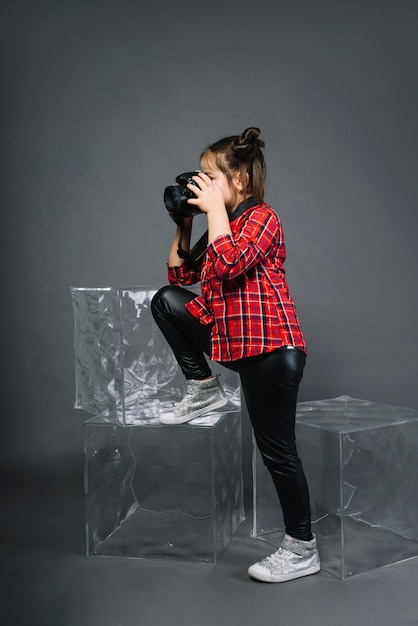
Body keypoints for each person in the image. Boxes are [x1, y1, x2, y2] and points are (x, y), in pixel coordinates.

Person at [151, 127, 320, 583]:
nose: (200, 185)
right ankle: (203, 387)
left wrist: (213, 217)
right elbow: (178, 272)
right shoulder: (219, 226)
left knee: (277, 453)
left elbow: (227, 265)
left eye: (209, 176)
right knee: (166, 299)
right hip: (234, 344)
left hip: (272, 349)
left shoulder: (263, 217)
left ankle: (302, 547)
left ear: (240, 179)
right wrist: (186, 221)